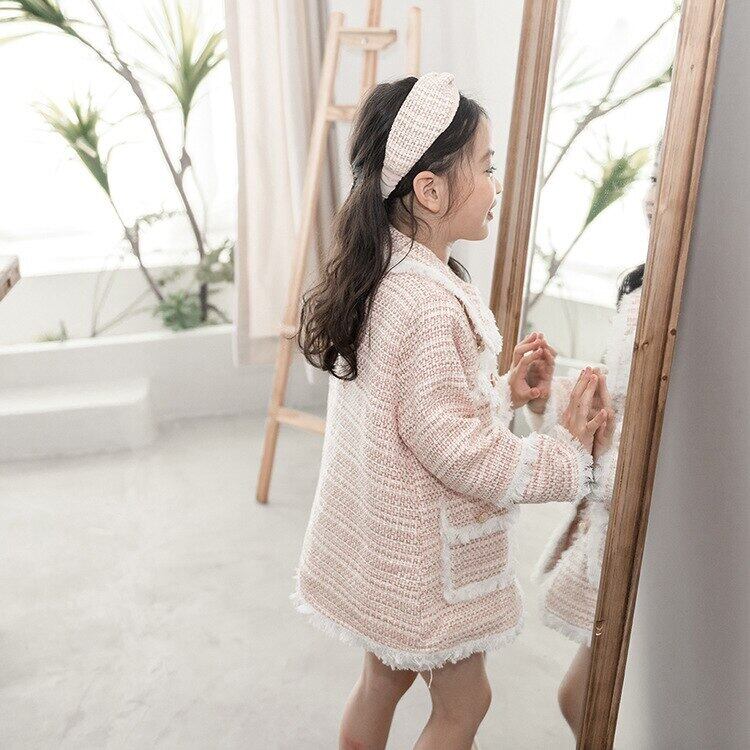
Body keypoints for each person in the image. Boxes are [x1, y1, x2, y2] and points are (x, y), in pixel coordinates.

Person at [289, 72, 609, 750]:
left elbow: (420, 412)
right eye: (487, 168)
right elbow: (463, 452)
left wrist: (503, 391)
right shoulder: (428, 304)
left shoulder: (390, 274)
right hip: (424, 567)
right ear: (431, 191)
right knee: (466, 703)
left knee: (381, 683)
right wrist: (565, 450)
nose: (497, 186)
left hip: (386, 549)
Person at [525, 143, 661, 741]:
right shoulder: (638, 288)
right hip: (614, 511)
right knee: (583, 700)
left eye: (663, 181)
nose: (651, 197)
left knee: (587, 700)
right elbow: (612, 408)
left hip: (650, 523)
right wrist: (544, 401)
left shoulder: (690, 297)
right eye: (652, 178)